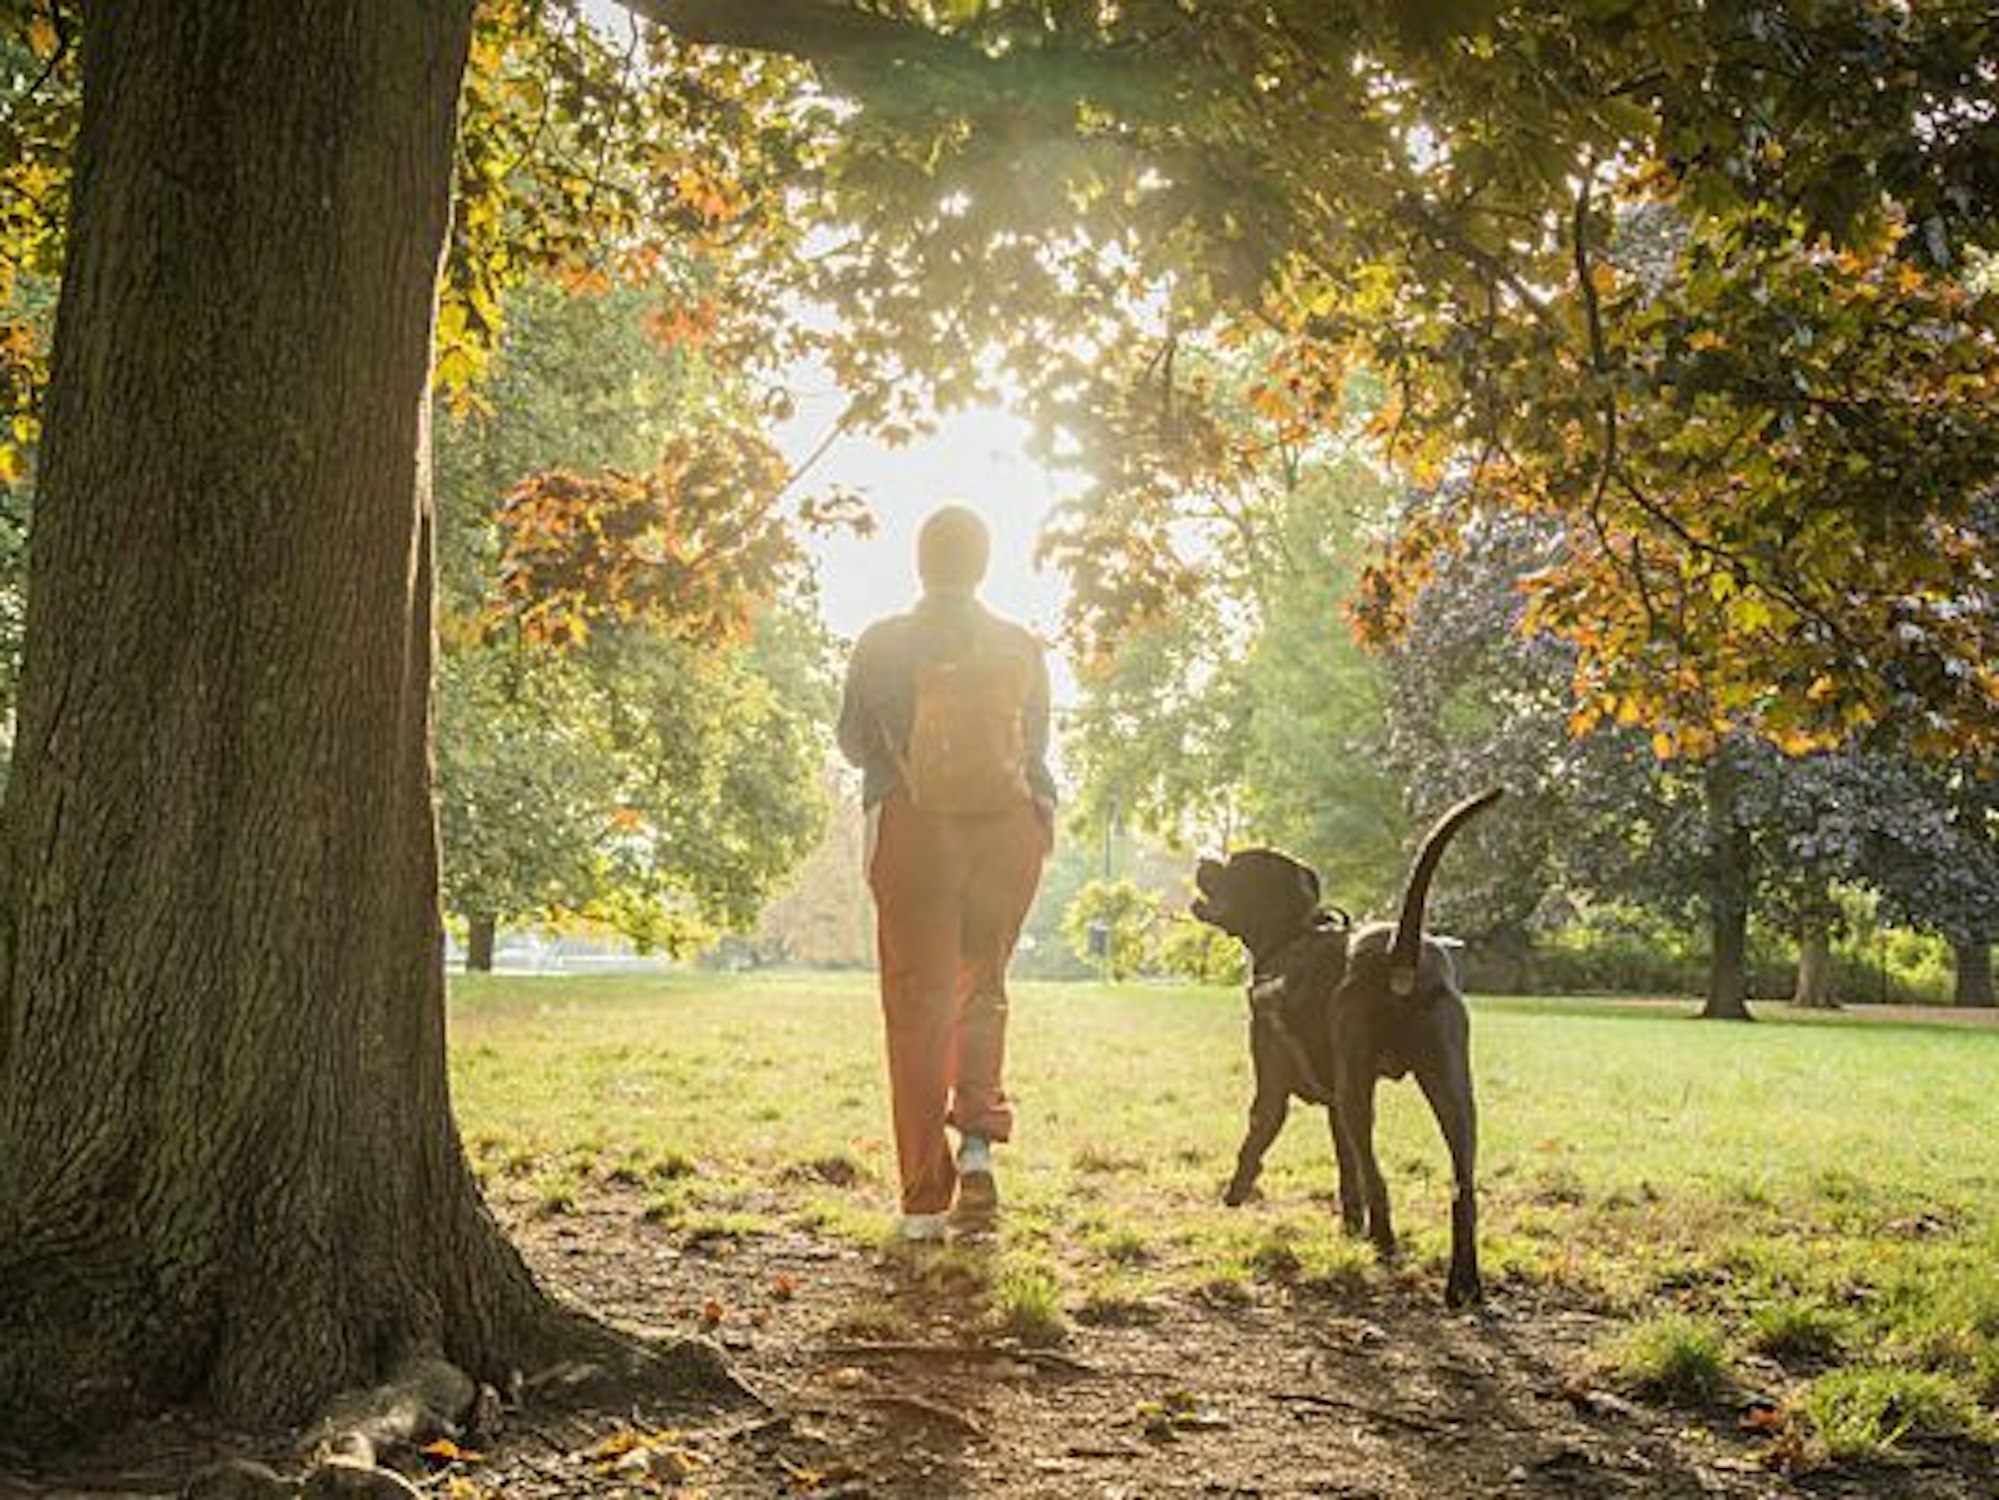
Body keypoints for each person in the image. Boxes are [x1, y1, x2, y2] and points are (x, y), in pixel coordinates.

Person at [837, 505, 1056, 1242]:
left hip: (913, 830)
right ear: (983, 563)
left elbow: (853, 741)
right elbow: (1037, 744)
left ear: (921, 562)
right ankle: (977, 1145)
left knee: (916, 1007)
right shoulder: (1021, 644)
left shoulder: (882, 643)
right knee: (982, 987)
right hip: (1006, 832)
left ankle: (924, 1205)